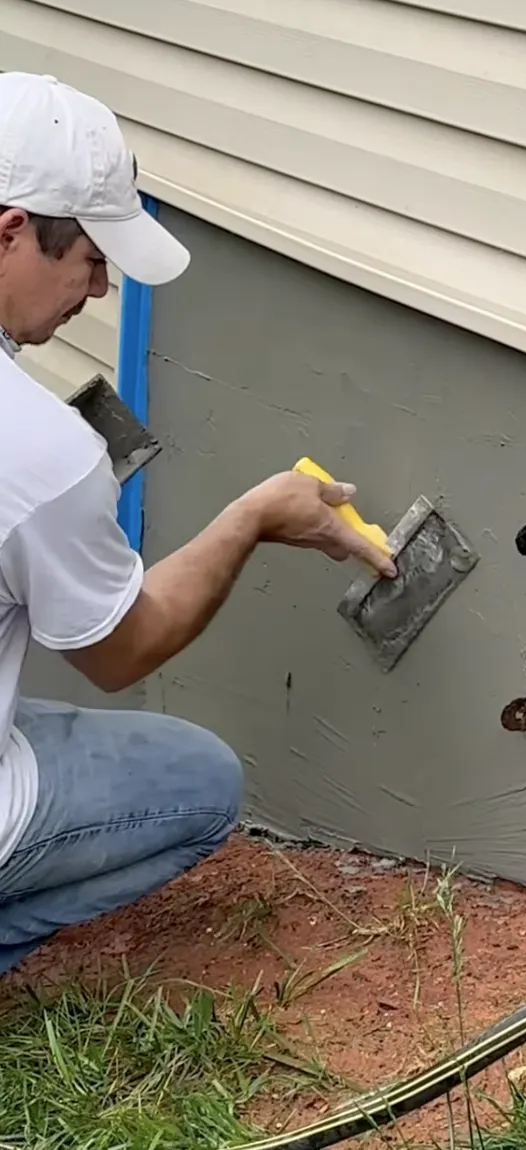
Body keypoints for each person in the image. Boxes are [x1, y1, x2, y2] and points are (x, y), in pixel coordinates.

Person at [0, 71, 396, 976]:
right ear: (12, 232)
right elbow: (116, 653)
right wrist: (252, 518)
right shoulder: (32, 447)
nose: (100, 291)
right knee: (198, 781)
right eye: (92, 259)